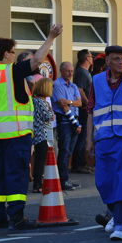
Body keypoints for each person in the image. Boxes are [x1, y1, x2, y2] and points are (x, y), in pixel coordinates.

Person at [0, 24, 62, 230]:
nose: (14, 55)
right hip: (17, 133)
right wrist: (51, 37)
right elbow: (37, 60)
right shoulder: (12, 71)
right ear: (5, 54)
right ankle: (17, 218)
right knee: (17, 175)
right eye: (13, 52)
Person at [86, 45, 122, 241]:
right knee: (103, 181)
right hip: (103, 137)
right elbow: (90, 110)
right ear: (108, 62)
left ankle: (120, 224)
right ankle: (117, 214)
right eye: (117, 59)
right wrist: (89, 139)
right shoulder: (96, 80)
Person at [51, 61, 82, 191]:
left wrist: (69, 101)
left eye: (71, 71)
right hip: (65, 120)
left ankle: (66, 179)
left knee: (69, 151)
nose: (70, 74)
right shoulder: (57, 85)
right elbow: (61, 105)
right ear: (61, 71)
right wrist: (70, 103)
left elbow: (79, 103)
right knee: (64, 151)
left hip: (74, 119)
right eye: (67, 71)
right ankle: (62, 181)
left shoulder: (74, 86)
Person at [30, 78, 55, 193]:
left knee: (37, 159)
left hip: (35, 132)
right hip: (41, 134)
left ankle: (37, 182)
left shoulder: (34, 100)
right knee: (40, 161)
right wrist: (51, 111)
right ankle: (37, 184)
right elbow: (48, 117)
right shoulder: (41, 102)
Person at [71, 49, 93, 174]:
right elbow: (80, 89)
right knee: (82, 137)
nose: (92, 59)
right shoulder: (81, 72)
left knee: (84, 136)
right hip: (83, 109)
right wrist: (88, 103)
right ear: (87, 58)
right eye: (91, 56)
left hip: (86, 108)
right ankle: (78, 164)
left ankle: (82, 163)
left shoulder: (85, 72)